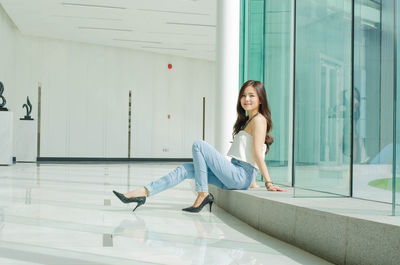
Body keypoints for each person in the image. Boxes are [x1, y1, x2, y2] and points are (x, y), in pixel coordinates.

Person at [113, 80, 286, 213]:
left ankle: (203, 193)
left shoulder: (259, 120)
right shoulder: (249, 120)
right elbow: (249, 153)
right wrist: (252, 182)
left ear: (261, 99)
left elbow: (257, 153)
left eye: (251, 95)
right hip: (237, 174)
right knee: (185, 169)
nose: (246, 99)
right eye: (243, 95)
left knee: (199, 145)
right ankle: (143, 192)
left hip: (239, 176)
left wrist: (268, 183)